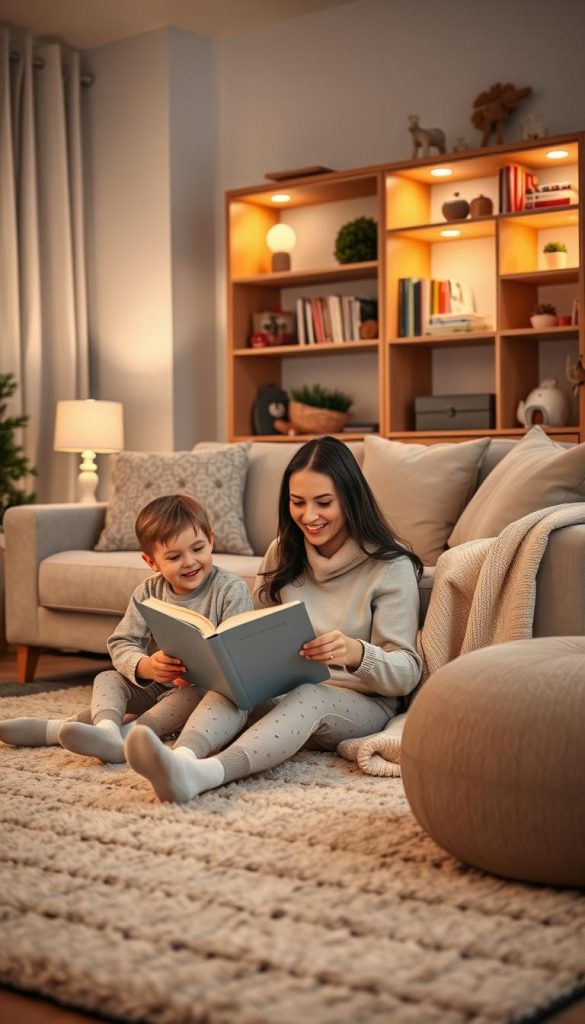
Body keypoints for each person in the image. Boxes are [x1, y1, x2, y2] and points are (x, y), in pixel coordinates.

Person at [124, 436, 423, 802]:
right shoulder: (282, 551)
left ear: (350, 499)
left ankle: (205, 775)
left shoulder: (390, 565)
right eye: (298, 502)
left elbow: (407, 673)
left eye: (324, 502)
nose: (309, 516)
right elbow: (251, 633)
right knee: (232, 686)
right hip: (282, 691)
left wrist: (356, 653)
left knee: (310, 695)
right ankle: (181, 758)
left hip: (360, 704)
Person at [0, 493, 253, 763]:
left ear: (211, 540)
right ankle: (106, 731)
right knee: (107, 678)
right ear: (152, 562)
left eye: (198, 548)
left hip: (200, 694)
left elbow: (240, 653)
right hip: (157, 685)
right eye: (174, 556)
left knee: (190, 695)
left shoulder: (231, 589)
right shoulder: (148, 592)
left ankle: (110, 736)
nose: (189, 561)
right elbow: (122, 642)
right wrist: (147, 666)